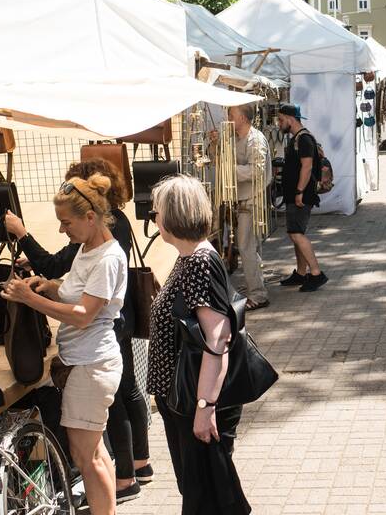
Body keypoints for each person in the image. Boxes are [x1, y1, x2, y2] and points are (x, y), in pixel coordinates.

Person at [4, 159, 152, 503]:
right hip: (85, 363)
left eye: (65, 223)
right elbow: (75, 293)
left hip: (91, 366)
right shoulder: (88, 250)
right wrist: (49, 288)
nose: (61, 231)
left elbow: (84, 314)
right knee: (94, 454)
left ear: (90, 218)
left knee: (88, 458)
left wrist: (30, 298)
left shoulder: (107, 258)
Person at [145, 175, 250, 515]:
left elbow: (217, 338)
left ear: (173, 216)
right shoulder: (190, 258)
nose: (154, 219)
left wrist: (205, 408)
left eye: (157, 211)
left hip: (194, 399)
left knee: (206, 499)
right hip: (184, 398)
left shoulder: (199, 263)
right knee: (201, 494)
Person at [274, 103, 328, 292]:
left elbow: (307, 167)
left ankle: (316, 273)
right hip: (295, 194)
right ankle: (301, 272)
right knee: (294, 232)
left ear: (290, 119)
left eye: (281, 120)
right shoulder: (297, 138)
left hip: (301, 195)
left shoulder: (303, 139)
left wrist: (299, 192)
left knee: (297, 233)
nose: (279, 124)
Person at [229, 103, 270, 310]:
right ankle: (256, 287)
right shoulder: (238, 138)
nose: (229, 117)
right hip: (244, 200)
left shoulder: (255, 140)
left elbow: (256, 171)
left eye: (232, 114)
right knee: (250, 248)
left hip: (253, 201)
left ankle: (258, 294)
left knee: (247, 248)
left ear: (243, 118)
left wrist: (228, 168)